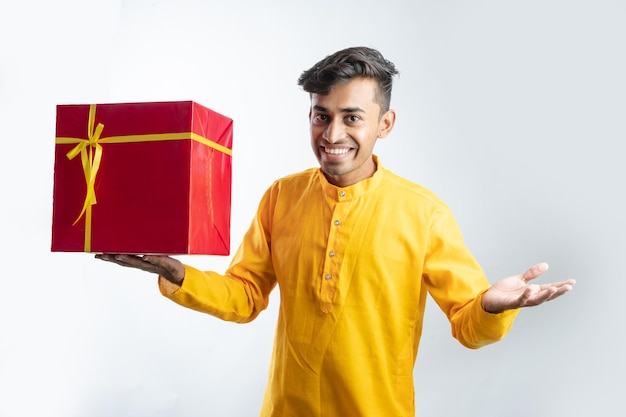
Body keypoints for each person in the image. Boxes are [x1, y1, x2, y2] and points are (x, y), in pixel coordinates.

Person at [97, 46, 575, 416]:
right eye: (321, 115)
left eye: (352, 118)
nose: (331, 134)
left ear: (384, 124)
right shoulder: (281, 197)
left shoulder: (424, 213)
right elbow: (245, 298)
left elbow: (470, 327)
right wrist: (177, 272)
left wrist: (491, 307)